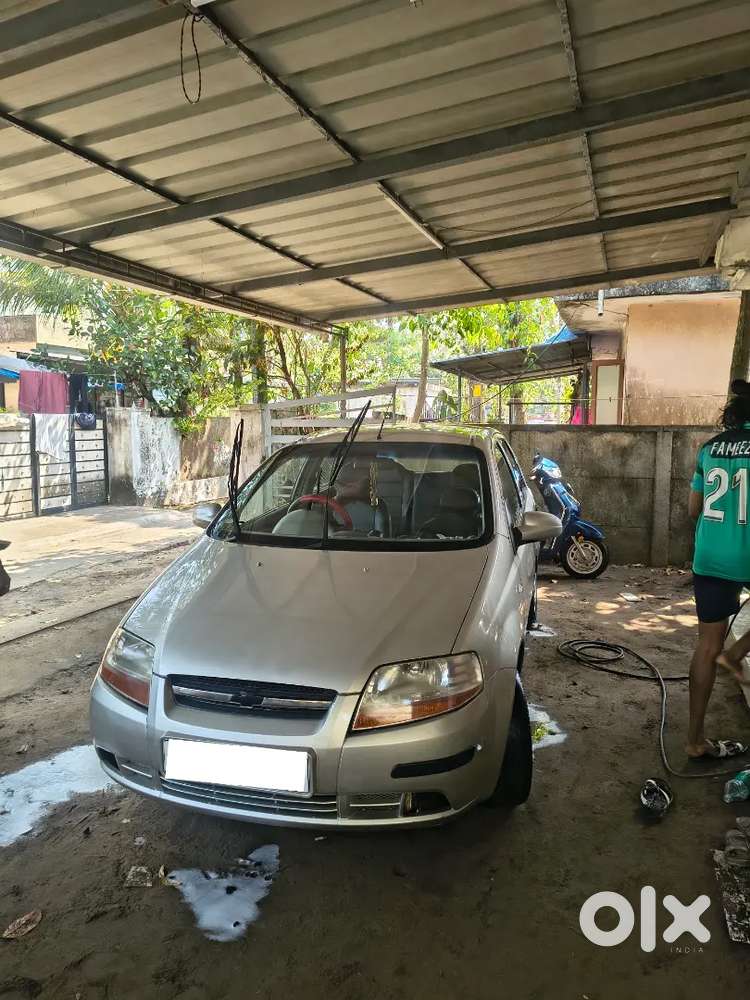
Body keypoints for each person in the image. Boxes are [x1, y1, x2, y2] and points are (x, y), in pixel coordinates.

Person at [686, 379, 750, 759]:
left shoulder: (709, 449)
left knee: (706, 645)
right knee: (723, 649)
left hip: (709, 556)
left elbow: (694, 509)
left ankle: (694, 740)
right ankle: (738, 651)